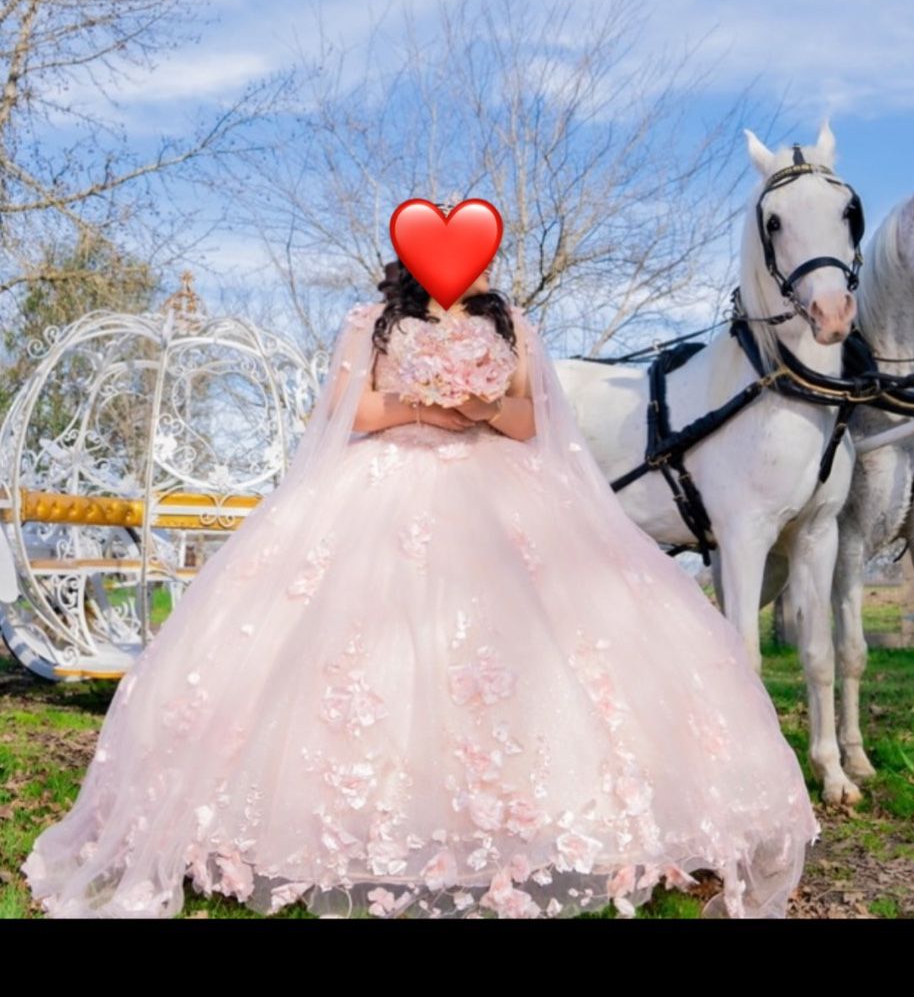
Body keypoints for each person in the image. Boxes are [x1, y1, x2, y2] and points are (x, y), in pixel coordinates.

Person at [21, 257, 821, 919]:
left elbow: (530, 422)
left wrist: (476, 403)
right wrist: (425, 406)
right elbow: (347, 409)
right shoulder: (370, 322)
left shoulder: (511, 325)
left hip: (498, 493)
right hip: (378, 488)